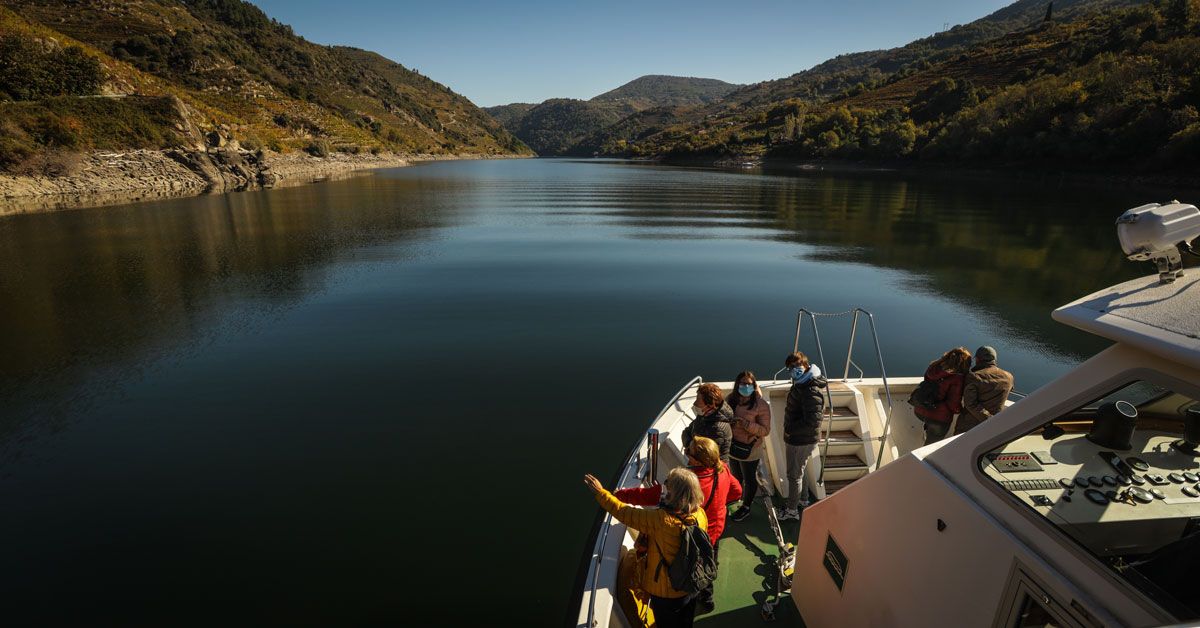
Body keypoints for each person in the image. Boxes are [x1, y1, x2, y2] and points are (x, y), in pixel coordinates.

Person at [613, 436, 741, 616]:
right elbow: (737, 492)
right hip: (713, 531)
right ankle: (707, 599)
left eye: (689, 451)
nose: (686, 453)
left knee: (688, 568)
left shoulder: (684, 484)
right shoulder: (723, 469)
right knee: (707, 562)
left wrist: (620, 495)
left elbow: (647, 495)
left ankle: (691, 595)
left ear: (697, 459)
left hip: (689, 537)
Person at [584, 468, 709, 628]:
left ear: (675, 494)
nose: (664, 489)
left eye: (667, 487)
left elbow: (624, 512)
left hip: (666, 592)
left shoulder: (661, 521)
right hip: (690, 583)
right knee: (685, 620)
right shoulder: (700, 514)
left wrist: (601, 493)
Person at [780, 351, 826, 521]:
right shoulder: (803, 382)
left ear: (806, 365)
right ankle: (804, 499)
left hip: (800, 439)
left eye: (797, 366)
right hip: (803, 438)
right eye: (790, 367)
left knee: (794, 475)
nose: (793, 370)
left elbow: (813, 421)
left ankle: (792, 511)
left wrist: (790, 429)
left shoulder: (809, 389)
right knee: (801, 469)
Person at [726, 371, 771, 522]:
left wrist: (745, 424)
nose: (745, 386)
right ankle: (735, 497)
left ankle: (746, 507)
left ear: (754, 385)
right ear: (737, 384)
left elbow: (765, 430)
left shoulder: (761, 405)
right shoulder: (731, 399)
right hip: (733, 446)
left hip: (750, 450)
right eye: (742, 383)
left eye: (749, 384)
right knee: (735, 476)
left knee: (749, 478)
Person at [915, 347, 972, 445]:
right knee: (930, 447)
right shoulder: (958, 378)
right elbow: (953, 404)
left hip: (920, 410)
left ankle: (928, 429)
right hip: (939, 419)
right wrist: (960, 411)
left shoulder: (933, 367)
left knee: (930, 423)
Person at [956, 345, 1014, 435]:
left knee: (958, 447)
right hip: (994, 425)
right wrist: (992, 420)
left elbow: (970, 404)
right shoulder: (1009, 377)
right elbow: (1009, 390)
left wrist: (988, 419)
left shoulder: (974, 376)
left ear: (978, 359)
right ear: (994, 360)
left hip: (969, 426)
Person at [682, 382, 734, 463]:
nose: (694, 403)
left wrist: (689, 448)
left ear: (710, 405)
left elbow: (706, 457)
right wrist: (691, 446)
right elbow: (686, 432)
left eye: (698, 400)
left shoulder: (718, 429)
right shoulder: (703, 416)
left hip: (712, 471)